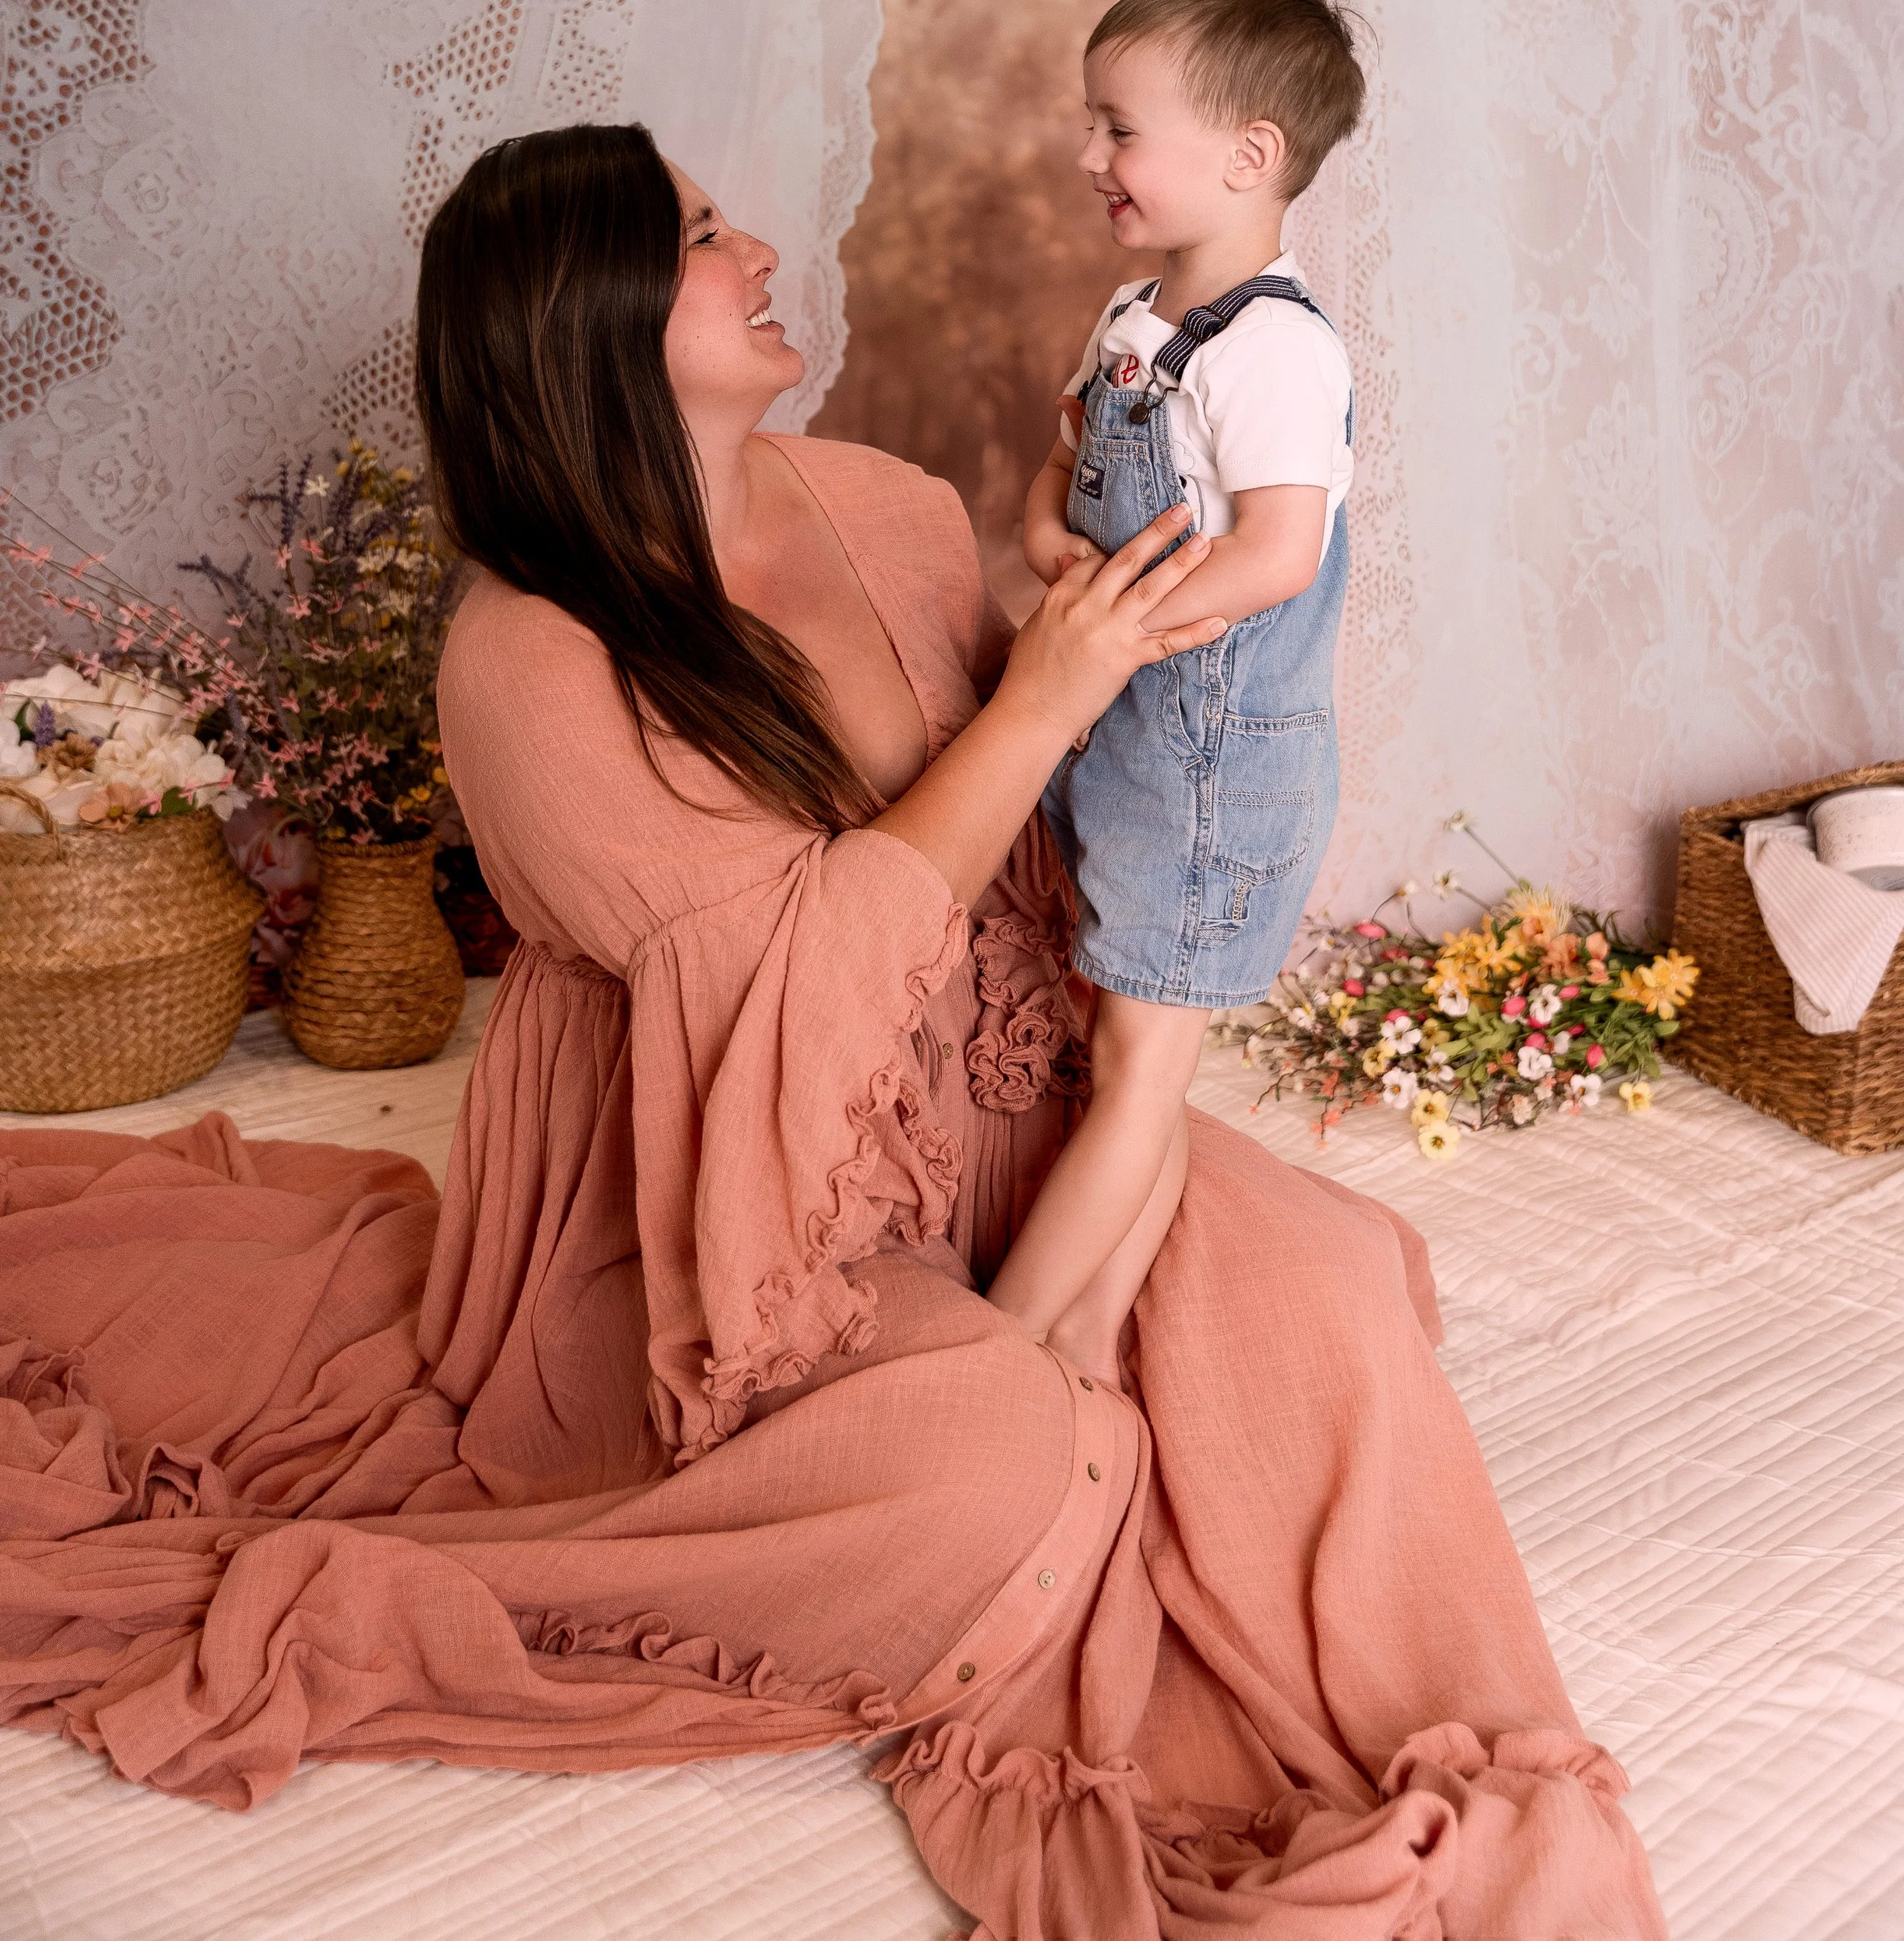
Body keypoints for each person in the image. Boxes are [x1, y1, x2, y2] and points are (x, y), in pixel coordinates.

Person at [0, 121, 1664, 1940]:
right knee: (986, 1463)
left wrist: (1146, 968)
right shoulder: (526, 659)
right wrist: (1038, 701)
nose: (760, 247)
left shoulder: (884, 503)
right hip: (706, 1203)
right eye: (708, 235)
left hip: (981, 1093)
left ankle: (1488, 1790)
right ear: (597, 316)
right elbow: (786, 974)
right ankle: (907, 1478)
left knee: (1319, 1274)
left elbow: (1023, 855)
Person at [999, 0, 1362, 1387]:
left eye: (1119, 127)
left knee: (1143, 1067)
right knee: (1129, 1059)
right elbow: (1063, 469)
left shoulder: (1275, 347)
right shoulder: (1135, 317)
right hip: (1125, 734)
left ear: (1249, 154)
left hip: (1213, 765)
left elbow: (1278, 551)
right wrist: (1046, 541)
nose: (1091, 156)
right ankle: (1090, 1332)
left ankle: (995, 1347)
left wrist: (1119, 632)